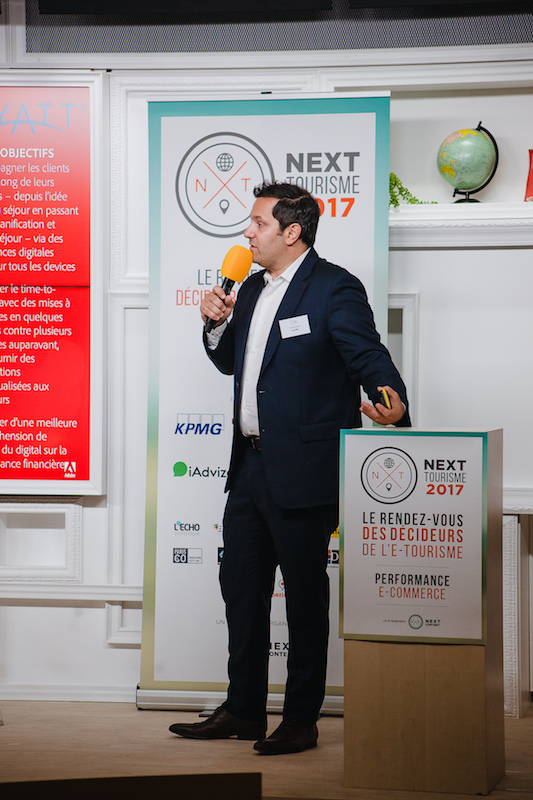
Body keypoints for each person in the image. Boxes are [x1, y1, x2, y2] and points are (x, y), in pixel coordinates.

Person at [169, 182, 410, 755]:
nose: (247, 233)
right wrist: (215, 322)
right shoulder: (251, 288)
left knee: (303, 598)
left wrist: (391, 398)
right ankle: (243, 709)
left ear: (292, 231)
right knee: (241, 590)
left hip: (305, 470)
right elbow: (229, 363)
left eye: (258, 223)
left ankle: (301, 719)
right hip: (248, 469)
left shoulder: (334, 287)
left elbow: (368, 354)